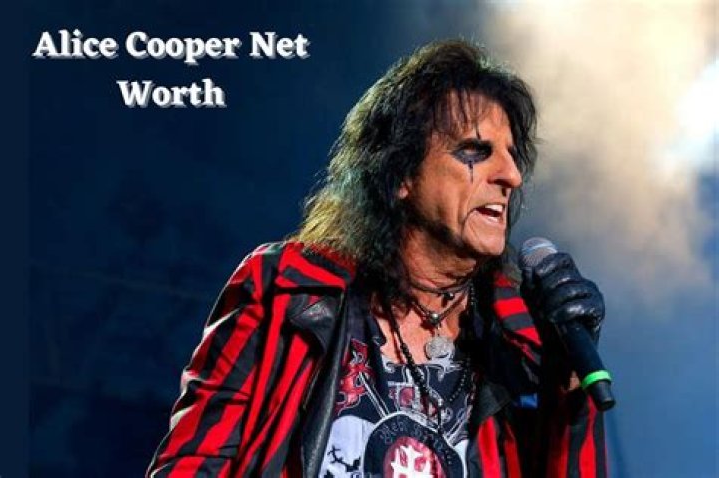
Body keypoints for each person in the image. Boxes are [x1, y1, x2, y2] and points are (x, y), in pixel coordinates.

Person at [147, 39, 607, 477]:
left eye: (511, 155)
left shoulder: (523, 337)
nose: (510, 176)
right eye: (475, 151)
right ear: (401, 173)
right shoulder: (287, 290)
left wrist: (565, 376)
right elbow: (192, 465)